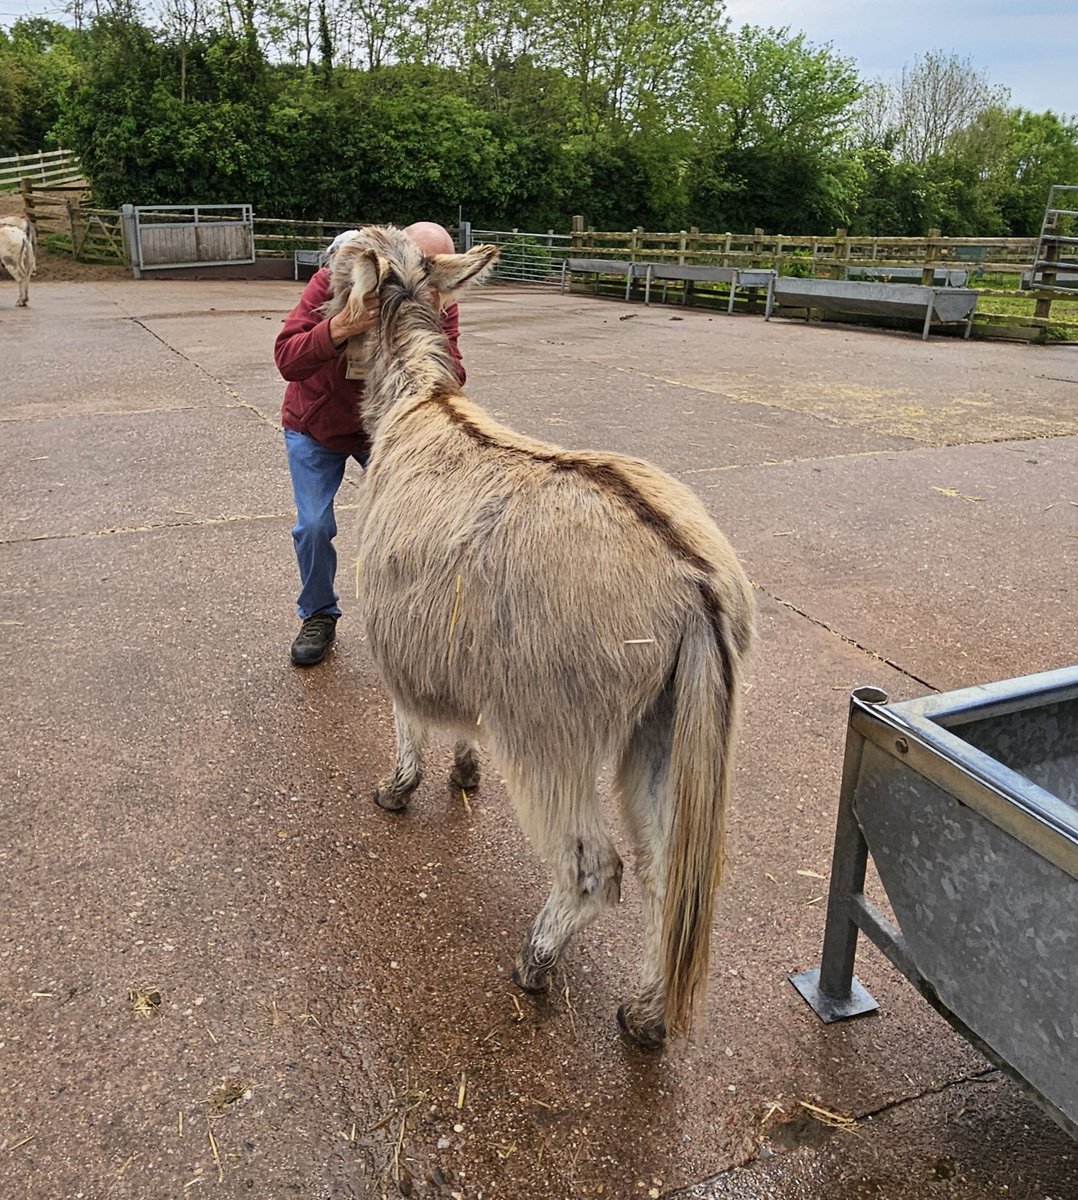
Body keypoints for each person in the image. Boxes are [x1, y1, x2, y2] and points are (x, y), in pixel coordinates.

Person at [274, 220, 466, 666]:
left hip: (383, 430)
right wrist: (339, 327)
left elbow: (454, 374)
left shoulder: (434, 300)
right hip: (316, 424)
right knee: (314, 526)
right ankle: (318, 614)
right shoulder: (331, 281)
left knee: (417, 521)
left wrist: (426, 330)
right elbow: (287, 357)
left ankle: (414, 617)